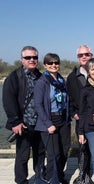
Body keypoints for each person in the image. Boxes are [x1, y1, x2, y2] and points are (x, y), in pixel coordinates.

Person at [2, 46, 45, 184]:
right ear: (22, 60)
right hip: (23, 124)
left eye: (35, 57)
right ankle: (21, 180)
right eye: (28, 57)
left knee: (40, 152)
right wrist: (15, 121)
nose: (32, 60)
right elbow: (8, 100)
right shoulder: (14, 77)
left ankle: (40, 178)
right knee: (22, 155)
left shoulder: (41, 76)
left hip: (39, 123)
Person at [66, 45, 94, 180]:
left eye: (86, 54)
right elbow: (69, 99)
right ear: (78, 58)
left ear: (91, 55)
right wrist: (73, 113)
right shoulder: (72, 77)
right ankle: (84, 175)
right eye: (81, 55)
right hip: (82, 120)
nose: (84, 57)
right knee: (83, 148)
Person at [34, 53, 71, 184]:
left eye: (56, 63)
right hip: (49, 122)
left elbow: (66, 100)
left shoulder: (61, 80)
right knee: (53, 154)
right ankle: (51, 180)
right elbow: (38, 105)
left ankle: (59, 177)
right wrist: (48, 124)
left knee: (65, 149)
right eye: (50, 63)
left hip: (63, 120)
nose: (54, 65)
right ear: (45, 65)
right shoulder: (42, 82)